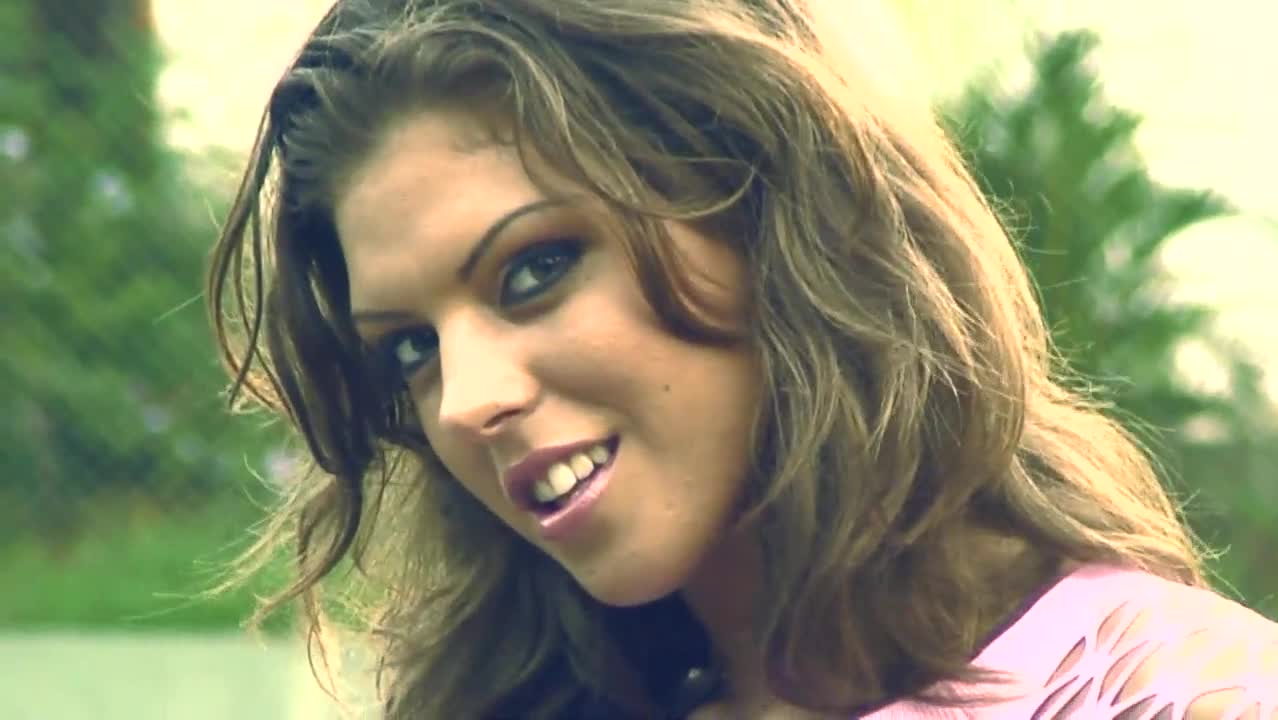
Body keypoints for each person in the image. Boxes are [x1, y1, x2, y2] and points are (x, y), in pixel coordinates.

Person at [206, 0, 1278, 717]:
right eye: (411, 348)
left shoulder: (1164, 694)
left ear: (764, 209)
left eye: (535, 269)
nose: (467, 402)